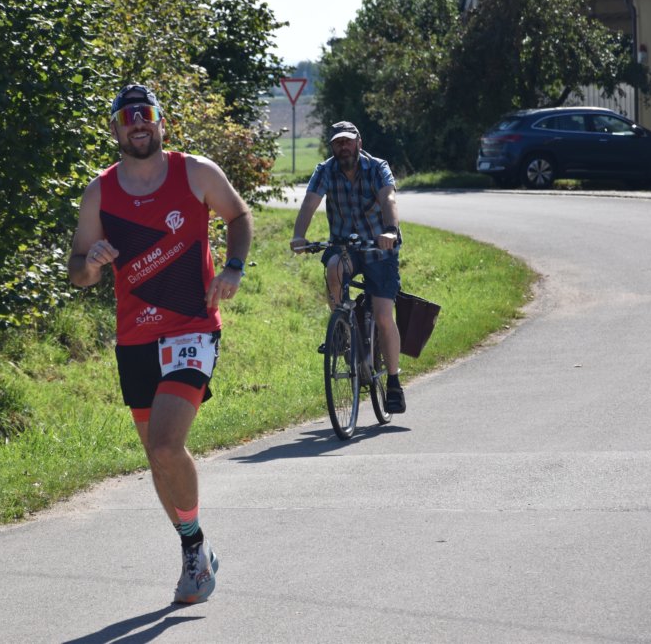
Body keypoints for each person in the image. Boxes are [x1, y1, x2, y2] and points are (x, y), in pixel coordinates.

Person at [68, 84, 253, 603]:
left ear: (161, 122)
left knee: (168, 444)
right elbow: (77, 269)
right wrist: (92, 265)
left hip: (192, 326)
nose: (138, 123)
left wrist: (234, 267)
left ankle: (193, 551)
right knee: (156, 456)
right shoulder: (100, 192)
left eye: (146, 113)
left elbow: (238, 216)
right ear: (115, 129)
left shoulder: (195, 172)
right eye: (127, 117)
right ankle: (196, 544)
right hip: (135, 338)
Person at [289, 121, 406, 414]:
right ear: (333, 147)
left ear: (359, 143)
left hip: (379, 249)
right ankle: (342, 327)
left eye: (348, 141)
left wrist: (390, 231)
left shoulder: (377, 167)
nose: (344, 147)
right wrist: (299, 236)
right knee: (333, 269)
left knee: (383, 315)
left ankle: (394, 382)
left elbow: (388, 198)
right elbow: (309, 203)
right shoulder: (325, 170)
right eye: (338, 143)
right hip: (345, 246)